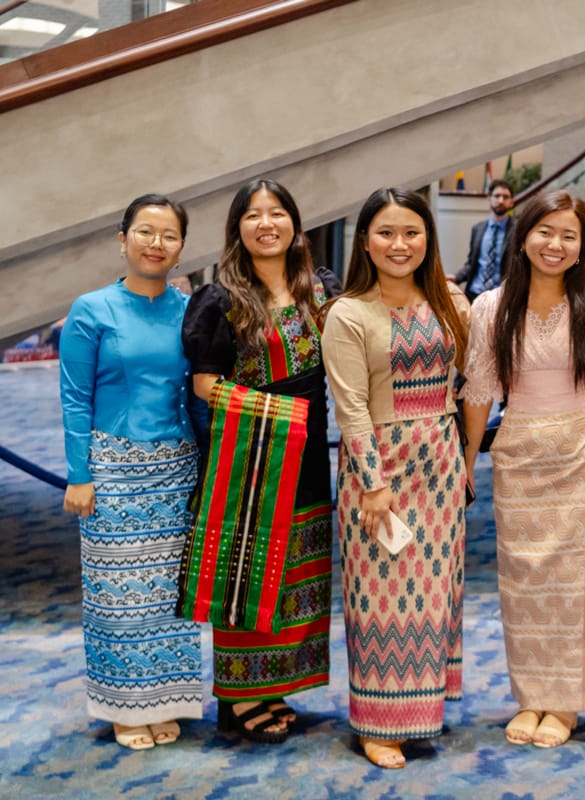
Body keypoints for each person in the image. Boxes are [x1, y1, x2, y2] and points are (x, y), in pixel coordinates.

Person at [460, 190, 585, 749]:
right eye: (545, 232)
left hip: (584, 446)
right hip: (520, 452)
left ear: (582, 246)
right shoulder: (491, 306)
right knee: (524, 580)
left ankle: (566, 704)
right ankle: (532, 695)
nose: (555, 244)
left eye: (569, 235)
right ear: (523, 236)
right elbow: (481, 389)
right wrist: (466, 460)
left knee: (575, 584)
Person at [182, 178, 341, 744]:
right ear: (237, 228)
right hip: (251, 455)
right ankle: (239, 694)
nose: (266, 223)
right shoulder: (221, 299)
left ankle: (270, 685)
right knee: (249, 571)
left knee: (297, 567)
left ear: (296, 225)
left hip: (310, 455)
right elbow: (204, 385)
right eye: (254, 215)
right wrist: (280, 415)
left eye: (278, 213)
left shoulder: (321, 289)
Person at [322, 188, 471, 769]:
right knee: (379, 596)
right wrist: (373, 482)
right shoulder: (349, 312)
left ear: (428, 238)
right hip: (379, 464)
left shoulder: (447, 300)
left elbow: (470, 373)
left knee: (434, 592)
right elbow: (352, 406)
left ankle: (421, 710)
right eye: (386, 232)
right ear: (365, 241)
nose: (399, 244)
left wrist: (463, 458)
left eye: (411, 232)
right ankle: (377, 724)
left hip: (440, 462)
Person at [60, 194, 205, 750]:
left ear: (181, 248)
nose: (156, 244)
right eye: (145, 232)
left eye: (169, 235)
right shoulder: (92, 309)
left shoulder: (189, 308)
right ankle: (124, 707)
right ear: (122, 240)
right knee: (117, 594)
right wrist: (79, 474)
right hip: (113, 466)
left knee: (168, 596)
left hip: (176, 466)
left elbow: (195, 393)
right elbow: (74, 398)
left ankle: (164, 699)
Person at [455, 179, 516, 301]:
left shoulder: (518, 229)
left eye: (505, 197)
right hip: (474, 295)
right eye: (497, 196)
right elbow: (471, 263)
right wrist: (456, 277)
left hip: (501, 297)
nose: (500, 201)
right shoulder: (477, 229)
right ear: (489, 198)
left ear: (511, 202)